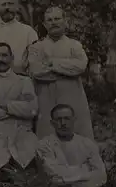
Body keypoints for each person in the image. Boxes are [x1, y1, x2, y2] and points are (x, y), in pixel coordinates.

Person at [0, 42, 38, 186]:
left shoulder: (24, 81)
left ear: (12, 58)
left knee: (29, 169)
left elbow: (32, 110)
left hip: (21, 132)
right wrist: (16, 110)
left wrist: (2, 105)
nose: (1, 59)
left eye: (4, 55)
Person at [26, 7, 93, 139]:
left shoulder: (74, 45)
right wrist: (67, 71)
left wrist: (52, 63)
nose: (54, 22)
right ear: (45, 25)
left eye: (57, 19)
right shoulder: (37, 47)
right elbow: (36, 71)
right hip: (46, 98)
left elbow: (80, 66)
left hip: (72, 96)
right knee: (48, 136)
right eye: (49, 20)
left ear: (64, 21)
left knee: (76, 136)